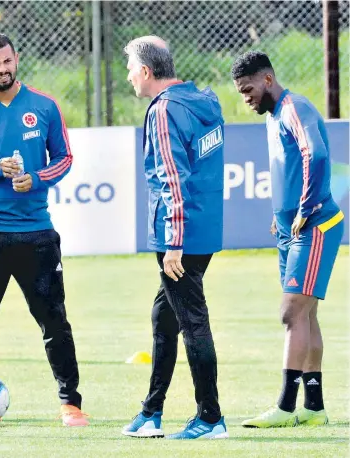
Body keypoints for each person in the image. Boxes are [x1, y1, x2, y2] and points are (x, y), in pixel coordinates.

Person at [0, 33, 88, 429]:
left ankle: (70, 403)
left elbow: (64, 158)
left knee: (54, 319)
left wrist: (36, 179)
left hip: (36, 232)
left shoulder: (44, 106)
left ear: (16, 59)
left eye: (7, 61)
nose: (3, 69)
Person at [120, 36, 228, 440]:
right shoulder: (204, 99)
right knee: (163, 316)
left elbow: (172, 177)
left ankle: (210, 418)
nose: (129, 75)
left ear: (147, 71)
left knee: (192, 322)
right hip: (205, 228)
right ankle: (152, 412)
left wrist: (173, 242)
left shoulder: (163, 111)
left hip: (179, 234)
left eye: (131, 67)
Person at [232, 51, 344, 428]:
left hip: (315, 225)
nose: (245, 98)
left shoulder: (295, 107)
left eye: (248, 89)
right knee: (306, 315)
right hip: (291, 228)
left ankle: (285, 406)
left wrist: (304, 209)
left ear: (267, 80)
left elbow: (318, 154)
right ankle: (314, 408)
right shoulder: (273, 116)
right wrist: (281, 216)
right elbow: (289, 168)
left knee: (291, 312)